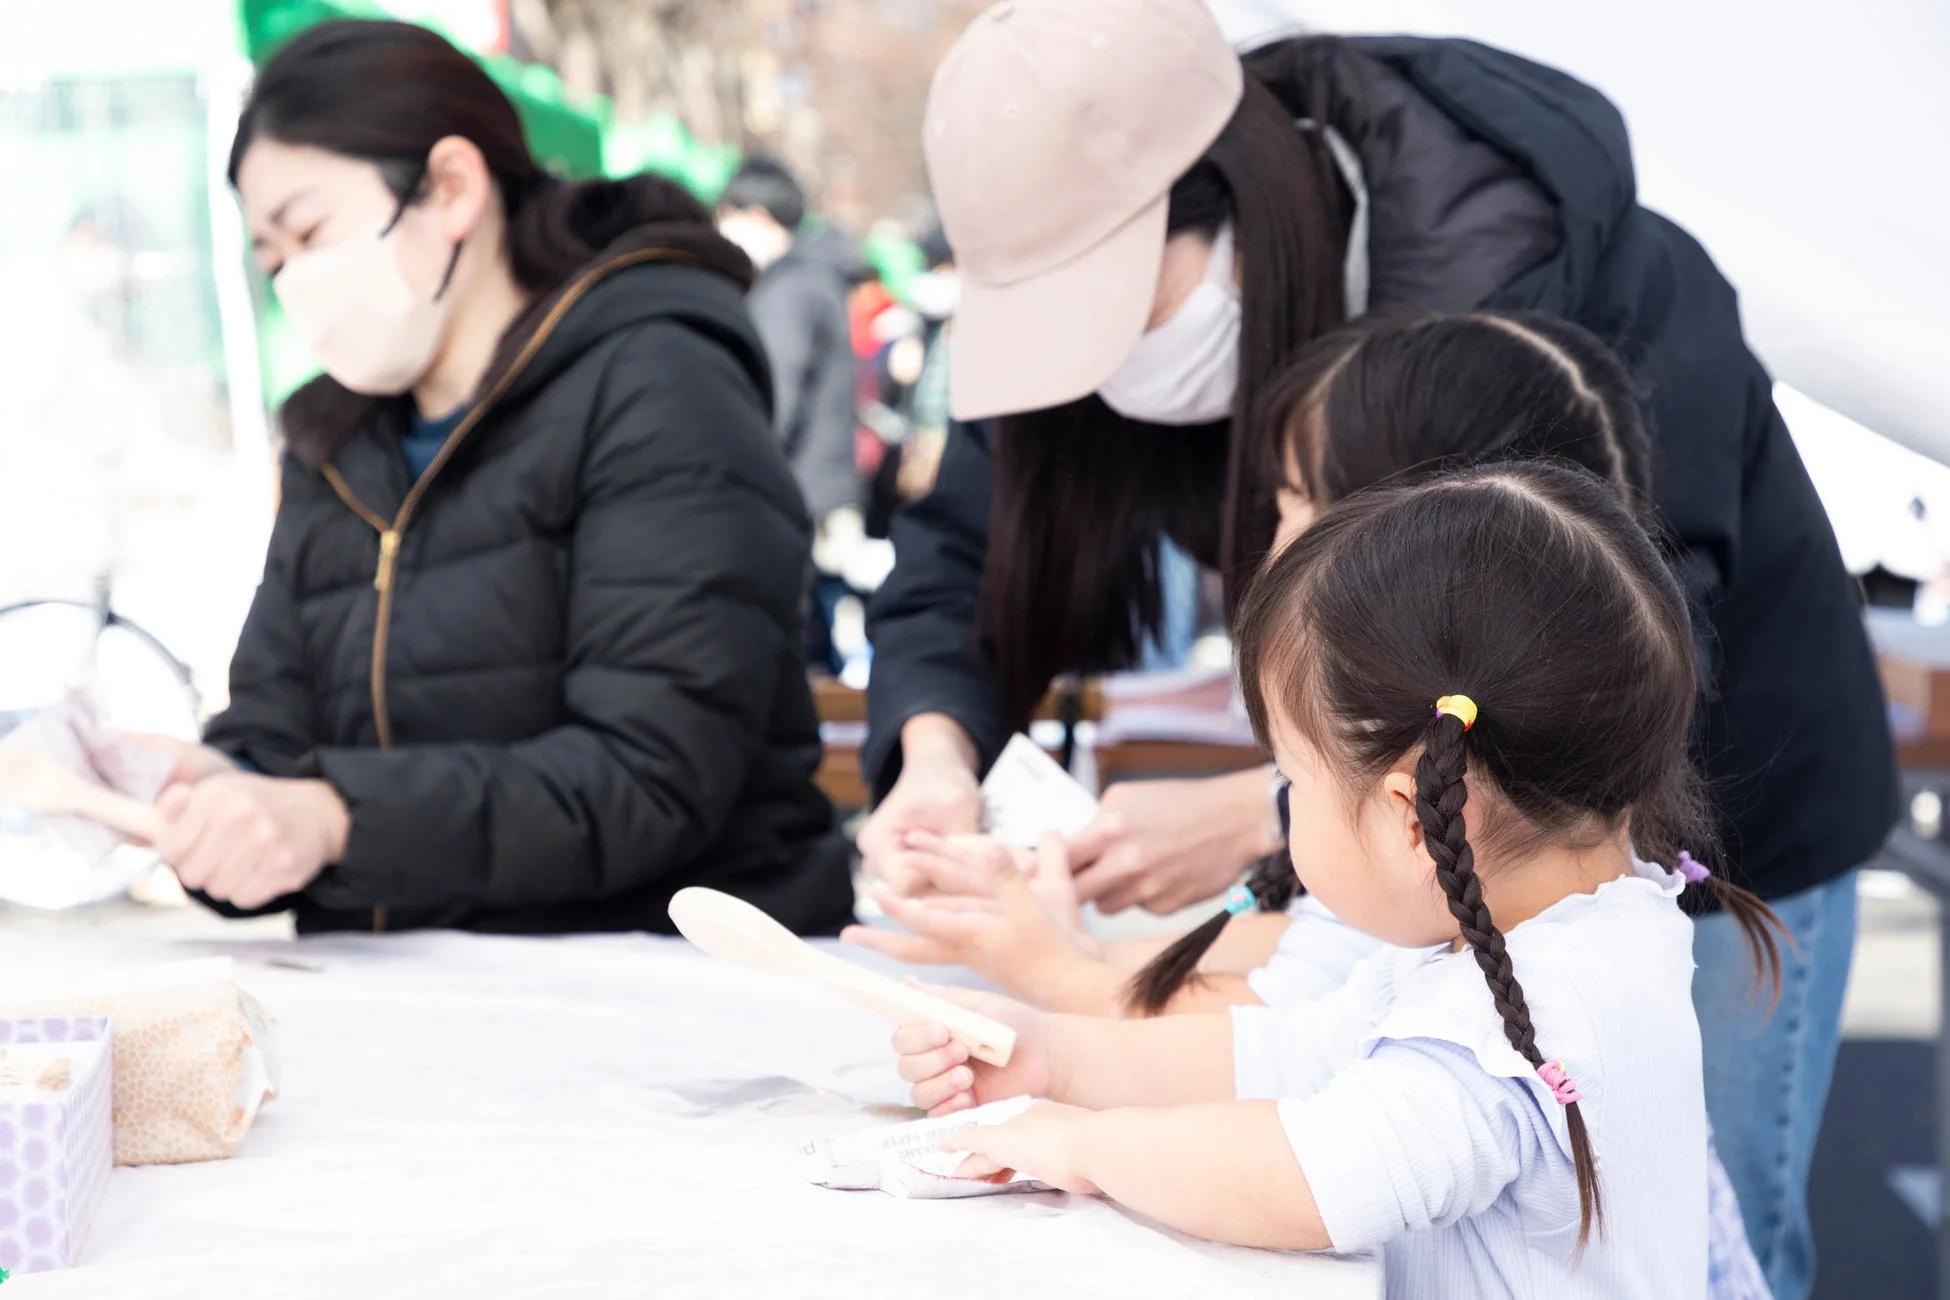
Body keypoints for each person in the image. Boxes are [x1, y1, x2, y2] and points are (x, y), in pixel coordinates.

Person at [859, 4, 1896, 1291]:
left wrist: (1079, 1130)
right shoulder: (1490, 953)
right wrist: (942, 771)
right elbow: (1304, 1053)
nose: (1106, 364)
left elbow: (1332, 1161)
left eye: (1121, 303)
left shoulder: (1519, 995)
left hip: (1734, 793)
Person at [891, 462, 1783, 1297]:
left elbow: (1312, 1174)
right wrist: (1057, 1053)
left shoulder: (1517, 1022)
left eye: (1293, 780)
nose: (1286, 808)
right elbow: (1302, 1051)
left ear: (1416, 815)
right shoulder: (1587, 920)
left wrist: (1074, 1143)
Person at [139, 19, 853, 936]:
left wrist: (337, 818)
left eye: (309, 232)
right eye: (269, 258)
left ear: (451, 188)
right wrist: (215, 797)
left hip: (666, 995)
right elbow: (276, 732)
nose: (294, 283)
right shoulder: (334, 436)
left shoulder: (656, 377)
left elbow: (653, 775)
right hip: (420, 1006)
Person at [716, 156, 866, 673]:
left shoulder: (789, 292)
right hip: (817, 492)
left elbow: (772, 399)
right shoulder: (811, 281)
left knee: (809, 653)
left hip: (800, 498)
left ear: (757, 217)